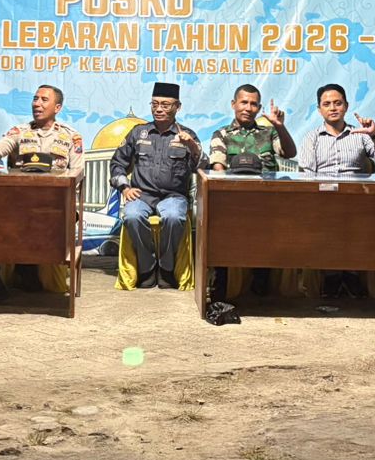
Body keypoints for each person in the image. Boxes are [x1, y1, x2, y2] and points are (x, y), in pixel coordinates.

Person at [0, 84, 84, 302]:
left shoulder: (71, 136)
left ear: (57, 107)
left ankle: (28, 272)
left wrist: (64, 202)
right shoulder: (19, 132)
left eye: (44, 100)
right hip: (19, 203)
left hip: (55, 205)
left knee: (35, 219)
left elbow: (77, 173)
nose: (37, 104)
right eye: (35, 99)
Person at [296, 83, 375, 297]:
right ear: (319, 109)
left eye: (337, 103)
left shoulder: (360, 134)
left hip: (358, 199)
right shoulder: (311, 138)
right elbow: (308, 177)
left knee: (359, 219)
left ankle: (351, 274)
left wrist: (374, 134)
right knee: (328, 219)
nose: (333, 108)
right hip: (323, 198)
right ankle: (333, 275)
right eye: (327, 104)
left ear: (346, 106)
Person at [206, 83, 297, 298]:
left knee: (271, 234)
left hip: (267, 201)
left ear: (259, 108)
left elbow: (289, 153)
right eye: (244, 102)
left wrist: (280, 126)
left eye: (253, 104)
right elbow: (218, 169)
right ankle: (220, 287)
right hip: (233, 202)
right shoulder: (221, 134)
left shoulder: (269, 133)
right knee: (221, 232)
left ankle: (261, 286)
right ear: (233, 104)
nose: (248, 108)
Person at [110, 82, 202, 289]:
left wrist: (192, 146)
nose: (159, 109)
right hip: (142, 195)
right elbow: (117, 163)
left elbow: (203, 167)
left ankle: (167, 267)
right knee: (132, 216)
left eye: (165, 105)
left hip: (173, 196)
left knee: (174, 217)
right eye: (155, 104)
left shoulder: (188, 135)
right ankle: (147, 266)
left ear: (177, 107)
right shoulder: (138, 133)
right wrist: (125, 187)